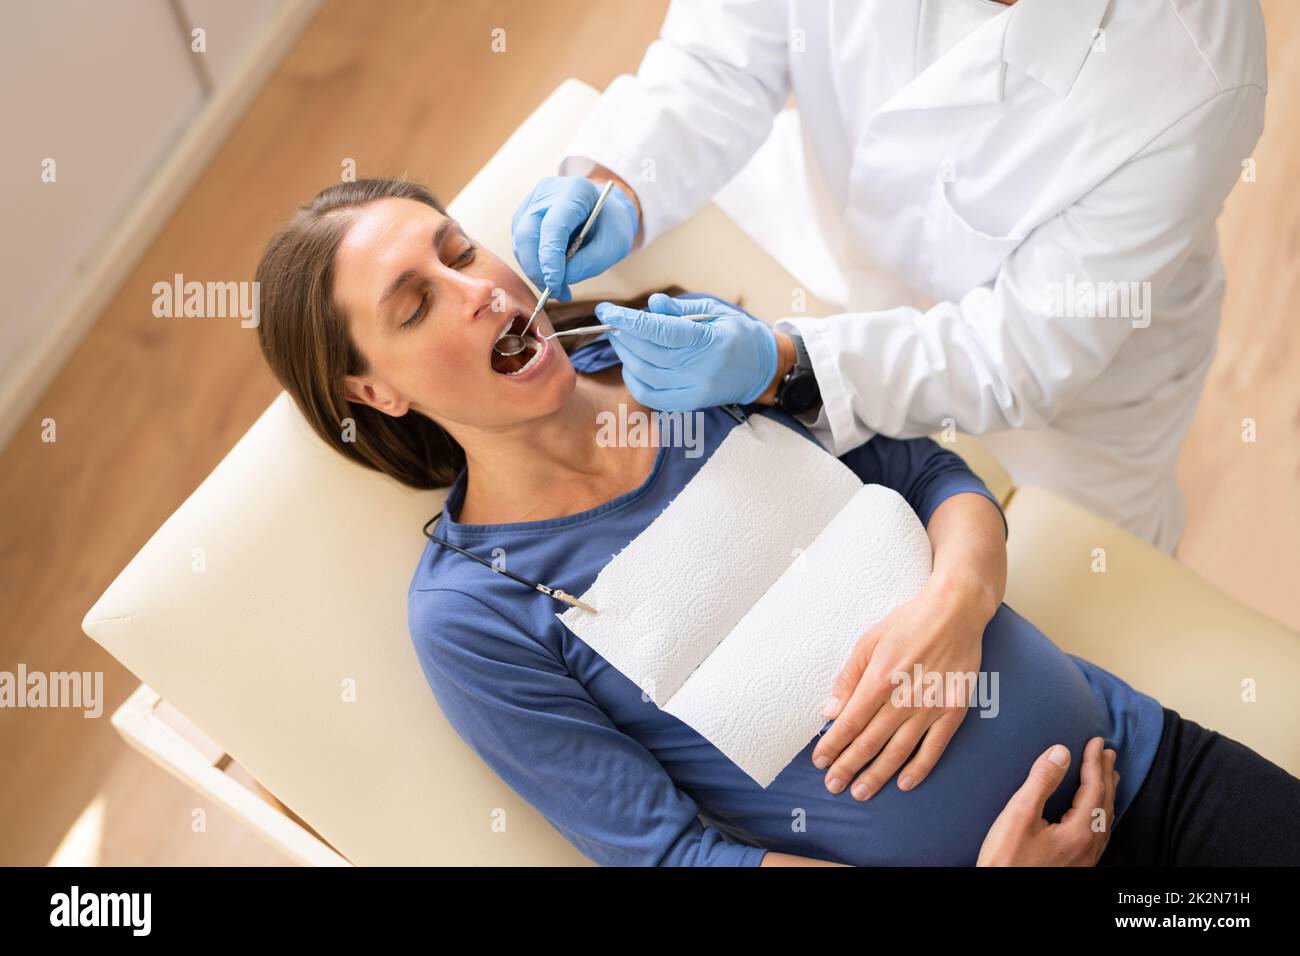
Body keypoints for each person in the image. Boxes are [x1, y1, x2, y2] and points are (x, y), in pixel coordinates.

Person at [252, 178, 1300, 866]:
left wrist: (957, 596)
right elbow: (670, 857)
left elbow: (928, 472)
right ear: (375, 391)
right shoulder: (475, 607)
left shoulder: (680, 358)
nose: (477, 287)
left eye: (459, 249)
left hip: (1146, 767)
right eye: (413, 303)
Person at [511, 0, 1268, 556]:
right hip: (834, 220)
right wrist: (618, 178)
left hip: (1071, 388)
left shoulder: (1191, 66)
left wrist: (786, 365)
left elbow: (1018, 353)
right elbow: (723, 57)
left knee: (1081, 589)